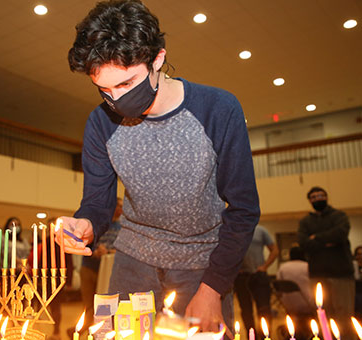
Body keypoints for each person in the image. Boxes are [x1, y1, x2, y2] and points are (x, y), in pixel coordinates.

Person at [58, 0, 260, 334]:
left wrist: (213, 288)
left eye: (126, 84)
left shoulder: (218, 109)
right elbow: (98, 202)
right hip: (132, 262)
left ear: (158, 59)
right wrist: (86, 226)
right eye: (104, 89)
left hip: (204, 266)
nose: (116, 99)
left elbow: (243, 209)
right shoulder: (100, 122)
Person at [297, 186, 355, 340]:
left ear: (327, 197)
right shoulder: (305, 221)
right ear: (309, 200)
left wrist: (315, 238)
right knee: (322, 314)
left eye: (321, 196)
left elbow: (340, 234)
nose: (318, 199)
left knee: (344, 316)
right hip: (317, 274)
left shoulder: (339, 216)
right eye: (314, 197)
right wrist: (327, 241)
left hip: (341, 274)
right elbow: (303, 243)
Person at [77, 198, 122, 335]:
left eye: (121, 206)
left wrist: (107, 251)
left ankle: (89, 333)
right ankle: (82, 332)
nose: (120, 209)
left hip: (106, 271)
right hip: (89, 267)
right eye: (118, 206)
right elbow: (86, 241)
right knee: (89, 305)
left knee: (102, 306)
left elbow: (120, 248)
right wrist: (95, 250)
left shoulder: (121, 228)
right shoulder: (99, 224)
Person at [234, 225, 278, 338]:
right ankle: (251, 336)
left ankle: (266, 336)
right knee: (246, 310)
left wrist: (265, 266)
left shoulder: (261, 230)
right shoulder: (233, 230)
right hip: (241, 277)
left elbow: (274, 250)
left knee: (264, 309)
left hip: (259, 276)